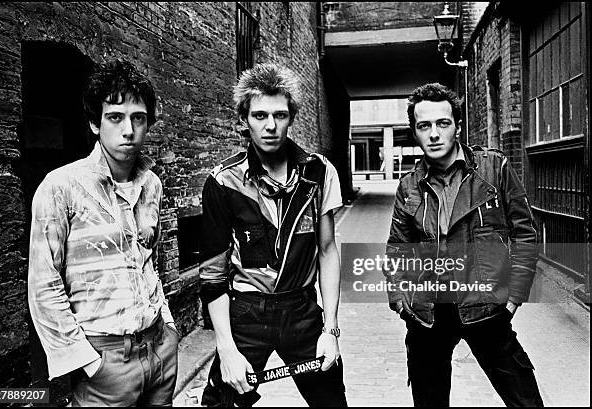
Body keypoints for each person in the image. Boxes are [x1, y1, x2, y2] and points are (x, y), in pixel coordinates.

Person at [27, 59, 179, 406]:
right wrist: (88, 362)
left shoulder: (151, 184)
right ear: (95, 123)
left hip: (159, 350)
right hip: (106, 361)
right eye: (116, 118)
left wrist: (168, 328)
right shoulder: (61, 187)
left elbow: (147, 261)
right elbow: (44, 285)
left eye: (138, 118)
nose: (129, 130)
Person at [385, 83, 543, 407]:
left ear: (457, 126)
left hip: (486, 307)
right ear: (415, 132)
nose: (434, 134)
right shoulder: (409, 187)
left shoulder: (493, 168)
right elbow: (397, 249)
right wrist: (401, 301)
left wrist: (514, 297)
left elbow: (525, 234)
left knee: (526, 401)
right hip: (428, 314)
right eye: (424, 125)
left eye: (442, 123)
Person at [199, 63, 347, 407]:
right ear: (244, 119)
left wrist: (331, 330)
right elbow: (212, 274)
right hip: (247, 313)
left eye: (279, 115)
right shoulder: (223, 182)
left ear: (291, 117)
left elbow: (327, 250)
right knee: (221, 403)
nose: (270, 126)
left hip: (302, 310)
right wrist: (226, 349)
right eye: (259, 115)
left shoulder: (317, 172)